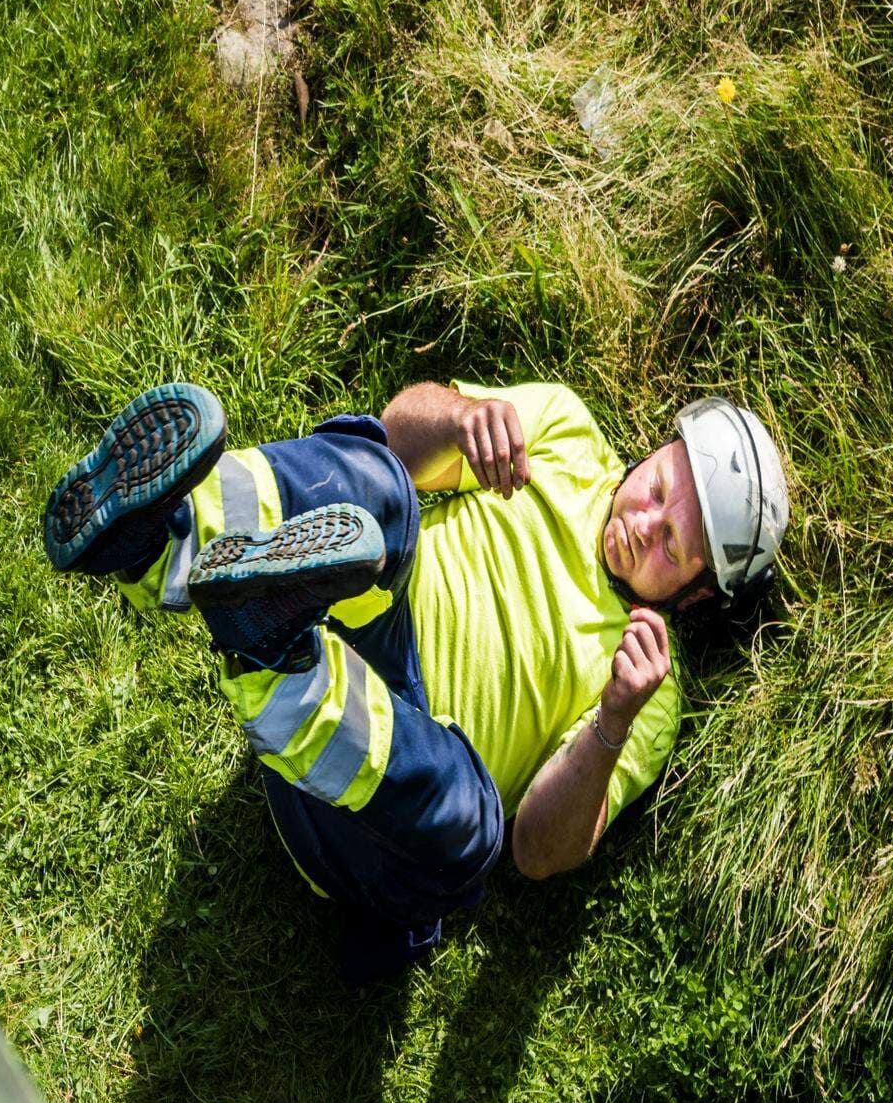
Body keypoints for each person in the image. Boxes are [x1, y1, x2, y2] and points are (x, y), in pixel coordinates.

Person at [43, 378, 788, 982]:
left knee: (476, 827)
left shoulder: (650, 692)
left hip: (377, 816)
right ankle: (162, 545)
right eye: (656, 490)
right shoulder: (565, 432)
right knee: (386, 490)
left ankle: (284, 663)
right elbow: (398, 431)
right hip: (367, 631)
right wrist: (463, 419)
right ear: (656, 450)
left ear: (695, 595)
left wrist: (613, 720)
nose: (643, 524)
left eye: (671, 545)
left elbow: (536, 851)